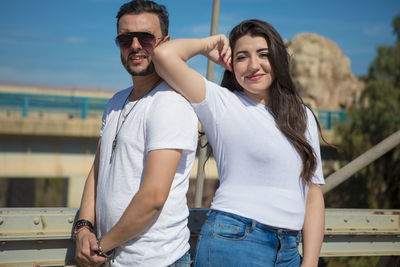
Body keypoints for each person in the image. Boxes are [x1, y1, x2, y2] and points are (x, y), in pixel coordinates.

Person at [153, 19, 325, 266]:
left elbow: (313, 194)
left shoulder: (302, 115)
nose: (254, 66)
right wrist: (207, 45)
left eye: (263, 54)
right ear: (231, 64)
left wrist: (309, 262)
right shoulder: (221, 102)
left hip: (289, 250)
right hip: (235, 242)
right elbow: (162, 55)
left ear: (277, 58)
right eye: (242, 57)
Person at [73, 1, 198, 266]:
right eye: (125, 39)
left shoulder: (170, 103)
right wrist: (84, 227)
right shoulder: (116, 102)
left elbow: (153, 197)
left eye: (146, 38)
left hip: (157, 261)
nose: (136, 46)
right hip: (114, 258)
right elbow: (97, 172)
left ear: (165, 43)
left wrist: (102, 247)